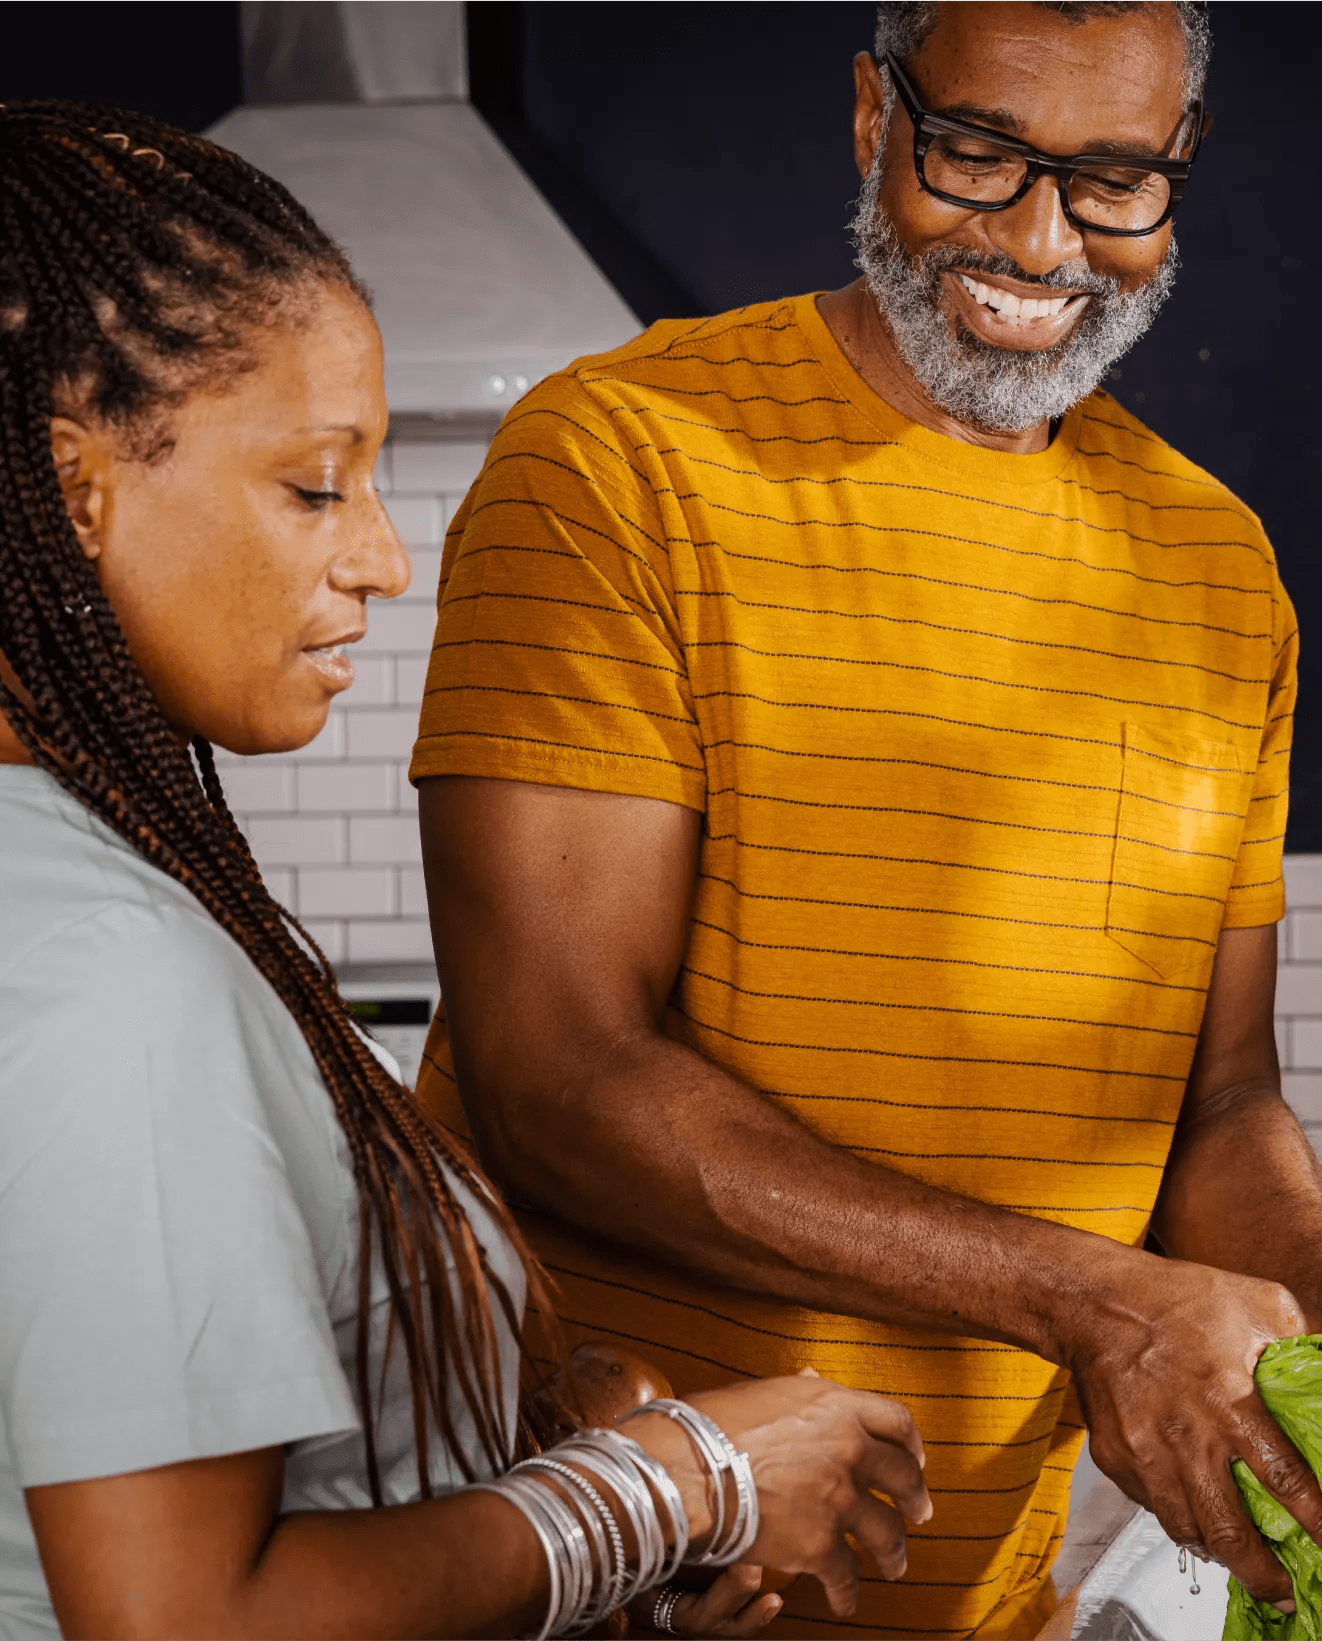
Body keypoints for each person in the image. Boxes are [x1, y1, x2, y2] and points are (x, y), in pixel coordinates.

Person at [408, 2, 1322, 1636]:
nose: (1039, 239)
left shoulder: (1219, 568)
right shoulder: (618, 462)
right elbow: (557, 1081)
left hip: (979, 1600)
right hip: (622, 1576)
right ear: (873, 119)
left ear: (1181, 172)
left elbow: (1218, 1106)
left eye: (1112, 182)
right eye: (978, 154)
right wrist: (1089, 1302)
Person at [0, 101, 933, 1641]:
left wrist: (544, 1473)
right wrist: (675, 1486)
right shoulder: (112, 979)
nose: (378, 555)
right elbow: (179, 1619)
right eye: (315, 485)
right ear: (74, 486)